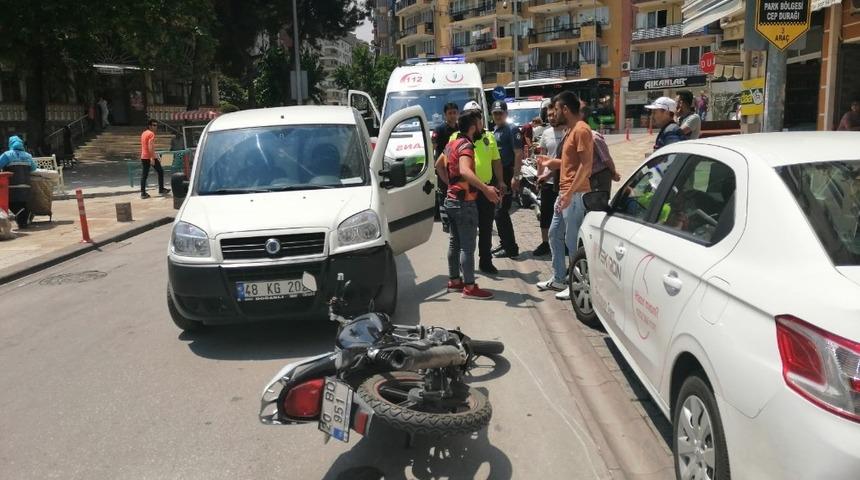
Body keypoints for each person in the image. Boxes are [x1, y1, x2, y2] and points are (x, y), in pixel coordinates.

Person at [535, 92, 593, 300]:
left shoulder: (582, 130)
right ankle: (559, 277)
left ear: (566, 109)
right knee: (554, 234)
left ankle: (576, 282)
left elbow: (586, 166)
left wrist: (568, 193)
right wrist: (551, 163)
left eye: (557, 109)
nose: (553, 113)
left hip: (575, 194)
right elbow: (571, 164)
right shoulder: (570, 130)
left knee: (572, 241)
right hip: (565, 193)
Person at [438, 111, 500, 300]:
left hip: (451, 199)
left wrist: (450, 184)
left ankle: (455, 280)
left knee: (454, 242)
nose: (482, 125)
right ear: (473, 126)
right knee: (467, 246)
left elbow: (439, 166)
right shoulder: (466, 145)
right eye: (479, 122)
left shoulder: (451, 144)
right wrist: (486, 188)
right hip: (464, 202)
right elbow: (465, 170)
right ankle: (470, 287)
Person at [491, 100, 523, 259]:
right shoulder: (496, 129)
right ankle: (505, 243)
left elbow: (518, 153)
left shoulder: (512, 129)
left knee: (501, 212)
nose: (498, 115)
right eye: (495, 113)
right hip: (499, 175)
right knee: (498, 212)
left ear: (506, 113)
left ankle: (511, 248)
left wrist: (516, 177)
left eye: (500, 113)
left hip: (508, 173)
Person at [532, 102, 564, 257]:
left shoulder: (568, 132)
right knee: (545, 214)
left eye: (554, 114)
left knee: (562, 214)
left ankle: (562, 243)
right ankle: (545, 243)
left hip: (563, 180)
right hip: (547, 181)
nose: (551, 118)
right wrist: (538, 177)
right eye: (549, 115)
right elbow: (541, 157)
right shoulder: (546, 134)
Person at [581, 100, 621, 193]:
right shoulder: (574, 136)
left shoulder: (594, 137)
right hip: (586, 178)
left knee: (598, 205)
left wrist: (613, 173)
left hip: (599, 178)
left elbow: (606, 159)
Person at [432, 103, 459, 231]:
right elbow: (435, 148)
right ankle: (446, 222)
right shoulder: (440, 130)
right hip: (443, 166)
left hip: (457, 166)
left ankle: (456, 219)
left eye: (454, 112)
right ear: (445, 114)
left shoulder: (460, 128)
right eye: (450, 113)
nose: (453, 115)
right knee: (444, 193)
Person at [140, 119, 170, 199]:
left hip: (144, 156)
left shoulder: (144, 133)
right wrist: (152, 158)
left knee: (144, 175)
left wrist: (154, 155)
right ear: (149, 126)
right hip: (149, 157)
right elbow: (150, 146)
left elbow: (146, 146)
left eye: (156, 125)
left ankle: (143, 193)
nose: (155, 127)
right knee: (160, 171)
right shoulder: (151, 134)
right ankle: (161, 189)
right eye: (154, 125)